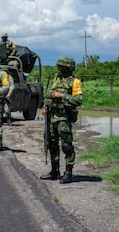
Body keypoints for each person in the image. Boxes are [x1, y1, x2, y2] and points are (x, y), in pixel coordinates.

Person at [41, 56, 83, 184]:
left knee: (66, 145)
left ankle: (68, 173)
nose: (59, 69)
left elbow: (78, 100)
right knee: (52, 144)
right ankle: (55, 171)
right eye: (59, 66)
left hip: (64, 117)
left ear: (68, 68)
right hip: (51, 116)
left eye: (62, 67)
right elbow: (48, 94)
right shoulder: (55, 79)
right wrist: (45, 106)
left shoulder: (75, 82)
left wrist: (62, 96)